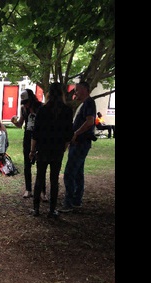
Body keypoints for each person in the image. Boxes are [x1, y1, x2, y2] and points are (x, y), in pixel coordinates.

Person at [29, 82, 74, 218]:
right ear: (62, 94)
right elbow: (69, 134)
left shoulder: (43, 110)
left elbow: (35, 132)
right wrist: (64, 148)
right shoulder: (67, 110)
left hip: (43, 148)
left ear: (48, 94)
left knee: (39, 178)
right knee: (54, 180)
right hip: (57, 149)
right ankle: (52, 210)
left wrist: (32, 150)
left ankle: (36, 209)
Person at [59, 80, 96, 213]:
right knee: (78, 173)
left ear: (85, 90)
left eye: (77, 90)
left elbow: (90, 122)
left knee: (69, 173)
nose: (75, 93)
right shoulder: (84, 104)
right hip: (78, 143)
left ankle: (69, 203)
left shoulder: (89, 102)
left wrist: (76, 133)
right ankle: (76, 200)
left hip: (81, 143)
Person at [11, 89, 48, 201]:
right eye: (24, 102)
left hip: (40, 138)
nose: (25, 104)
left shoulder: (41, 108)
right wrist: (15, 122)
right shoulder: (24, 109)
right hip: (27, 138)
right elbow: (20, 124)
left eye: (27, 102)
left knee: (40, 165)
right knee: (27, 164)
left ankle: (43, 191)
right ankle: (28, 189)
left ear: (32, 99)